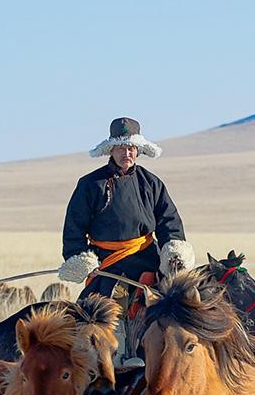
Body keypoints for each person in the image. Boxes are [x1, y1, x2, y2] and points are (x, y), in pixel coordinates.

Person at [58, 117, 194, 302]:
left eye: (131, 148)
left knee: (176, 308)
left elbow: (168, 222)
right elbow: (74, 228)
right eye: (121, 148)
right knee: (95, 319)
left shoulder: (151, 183)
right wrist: (82, 261)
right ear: (111, 150)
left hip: (147, 259)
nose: (126, 153)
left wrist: (173, 254)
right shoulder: (90, 184)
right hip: (107, 265)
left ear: (138, 151)